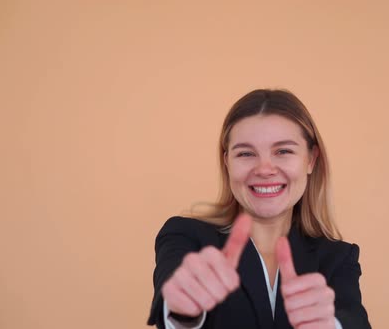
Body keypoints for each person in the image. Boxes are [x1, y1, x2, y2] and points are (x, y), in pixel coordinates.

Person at [147, 89, 371, 328]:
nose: (265, 169)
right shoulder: (185, 236)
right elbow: (173, 309)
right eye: (245, 153)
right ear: (227, 163)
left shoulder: (337, 257)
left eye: (283, 151)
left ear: (311, 159)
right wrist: (183, 312)